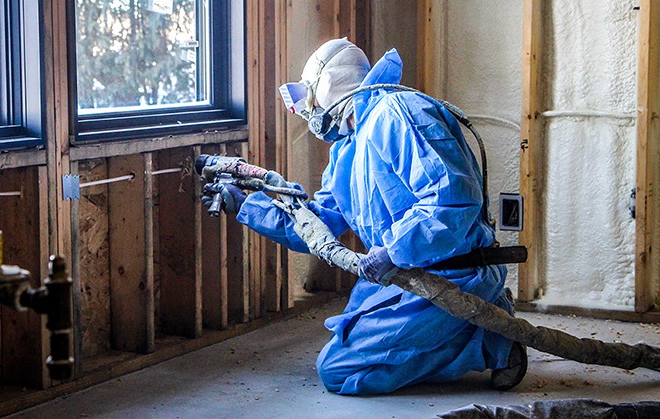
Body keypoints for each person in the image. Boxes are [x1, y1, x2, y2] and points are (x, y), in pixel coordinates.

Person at [201, 38, 526, 395]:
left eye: (309, 98)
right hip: (407, 271)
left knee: (340, 370)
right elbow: (317, 224)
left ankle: (491, 341)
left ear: (326, 89)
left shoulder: (398, 114)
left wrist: (393, 250)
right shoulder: (348, 147)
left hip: (454, 273)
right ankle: (480, 319)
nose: (308, 112)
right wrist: (246, 206)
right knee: (351, 335)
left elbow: (452, 201)